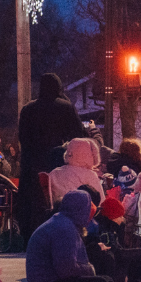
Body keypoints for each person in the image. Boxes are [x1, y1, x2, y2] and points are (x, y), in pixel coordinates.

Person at [17, 74, 86, 235]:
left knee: (32, 202)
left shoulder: (28, 109)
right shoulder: (65, 107)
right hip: (56, 162)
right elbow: (77, 135)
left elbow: (23, 137)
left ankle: (29, 234)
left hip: (31, 164)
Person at [26, 190, 114, 282]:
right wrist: (89, 269)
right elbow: (66, 270)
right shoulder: (64, 228)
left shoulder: (64, 221)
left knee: (107, 281)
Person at [48, 138, 104, 208]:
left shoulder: (54, 173)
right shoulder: (90, 175)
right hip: (82, 216)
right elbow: (101, 202)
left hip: (59, 213)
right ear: (88, 154)